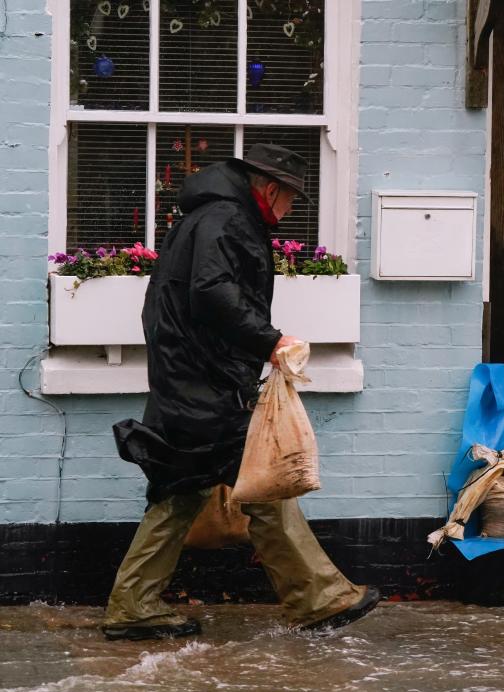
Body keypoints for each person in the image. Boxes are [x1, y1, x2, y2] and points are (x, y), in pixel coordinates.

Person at [104, 144, 379, 641]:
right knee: (262, 481)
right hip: (205, 381)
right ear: (270, 190)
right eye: (291, 200)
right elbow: (212, 292)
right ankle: (318, 597)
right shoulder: (228, 220)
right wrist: (270, 341)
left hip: (186, 375)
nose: (290, 211)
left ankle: (132, 604)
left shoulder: (207, 218)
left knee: (180, 488)